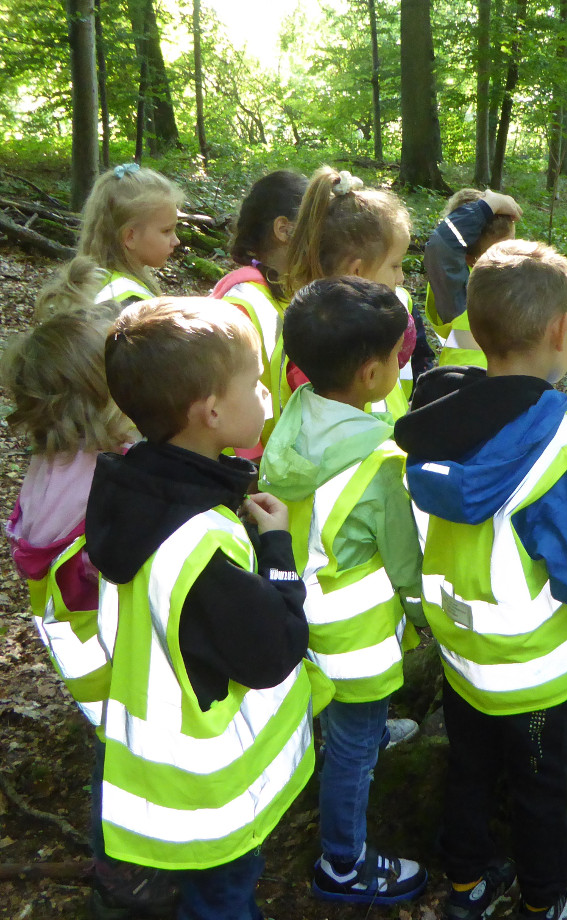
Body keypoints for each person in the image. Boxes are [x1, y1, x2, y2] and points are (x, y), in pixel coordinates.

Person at [394, 240, 567, 920]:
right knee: (539, 787)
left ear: (476, 327)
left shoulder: (435, 424)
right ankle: (543, 900)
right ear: (562, 330)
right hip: (535, 674)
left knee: (468, 771)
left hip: (463, 656)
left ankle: (466, 886)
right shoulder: (565, 451)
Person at [85, 297, 330, 920]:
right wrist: (278, 552)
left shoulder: (132, 490)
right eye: (254, 383)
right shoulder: (196, 541)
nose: (268, 397)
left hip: (159, 773)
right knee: (222, 900)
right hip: (206, 790)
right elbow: (273, 649)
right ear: (212, 410)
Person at [0, 303, 177, 917]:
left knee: (113, 752)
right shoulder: (111, 480)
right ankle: (129, 879)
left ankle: (119, 869)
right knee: (131, 767)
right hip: (123, 663)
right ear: (106, 393)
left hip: (85, 663)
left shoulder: (51, 467)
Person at [258, 277, 428, 905]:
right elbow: (405, 561)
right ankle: (344, 863)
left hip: (296, 611)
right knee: (352, 755)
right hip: (354, 638)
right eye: (396, 355)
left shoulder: (295, 416)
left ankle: (367, 731)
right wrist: (423, 612)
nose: (402, 360)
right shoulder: (380, 462)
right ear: (368, 372)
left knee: (342, 720)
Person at [283, 166, 431, 418]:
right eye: (395, 265)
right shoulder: (325, 348)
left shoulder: (358, 329)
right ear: (357, 272)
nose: (401, 277)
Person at [211, 169, 309, 453]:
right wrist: (250, 466)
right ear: (284, 230)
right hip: (248, 472)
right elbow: (224, 396)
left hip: (281, 470)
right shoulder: (242, 302)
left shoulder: (287, 292)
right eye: (318, 229)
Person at [40, 163, 183, 306]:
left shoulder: (94, 282)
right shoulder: (131, 303)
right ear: (130, 237)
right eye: (166, 231)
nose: (176, 241)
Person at [424, 188, 521, 368]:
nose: (511, 258)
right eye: (498, 253)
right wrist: (489, 206)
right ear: (469, 259)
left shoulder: (513, 286)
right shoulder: (458, 291)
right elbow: (442, 246)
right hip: (463, 387)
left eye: (512, 245)